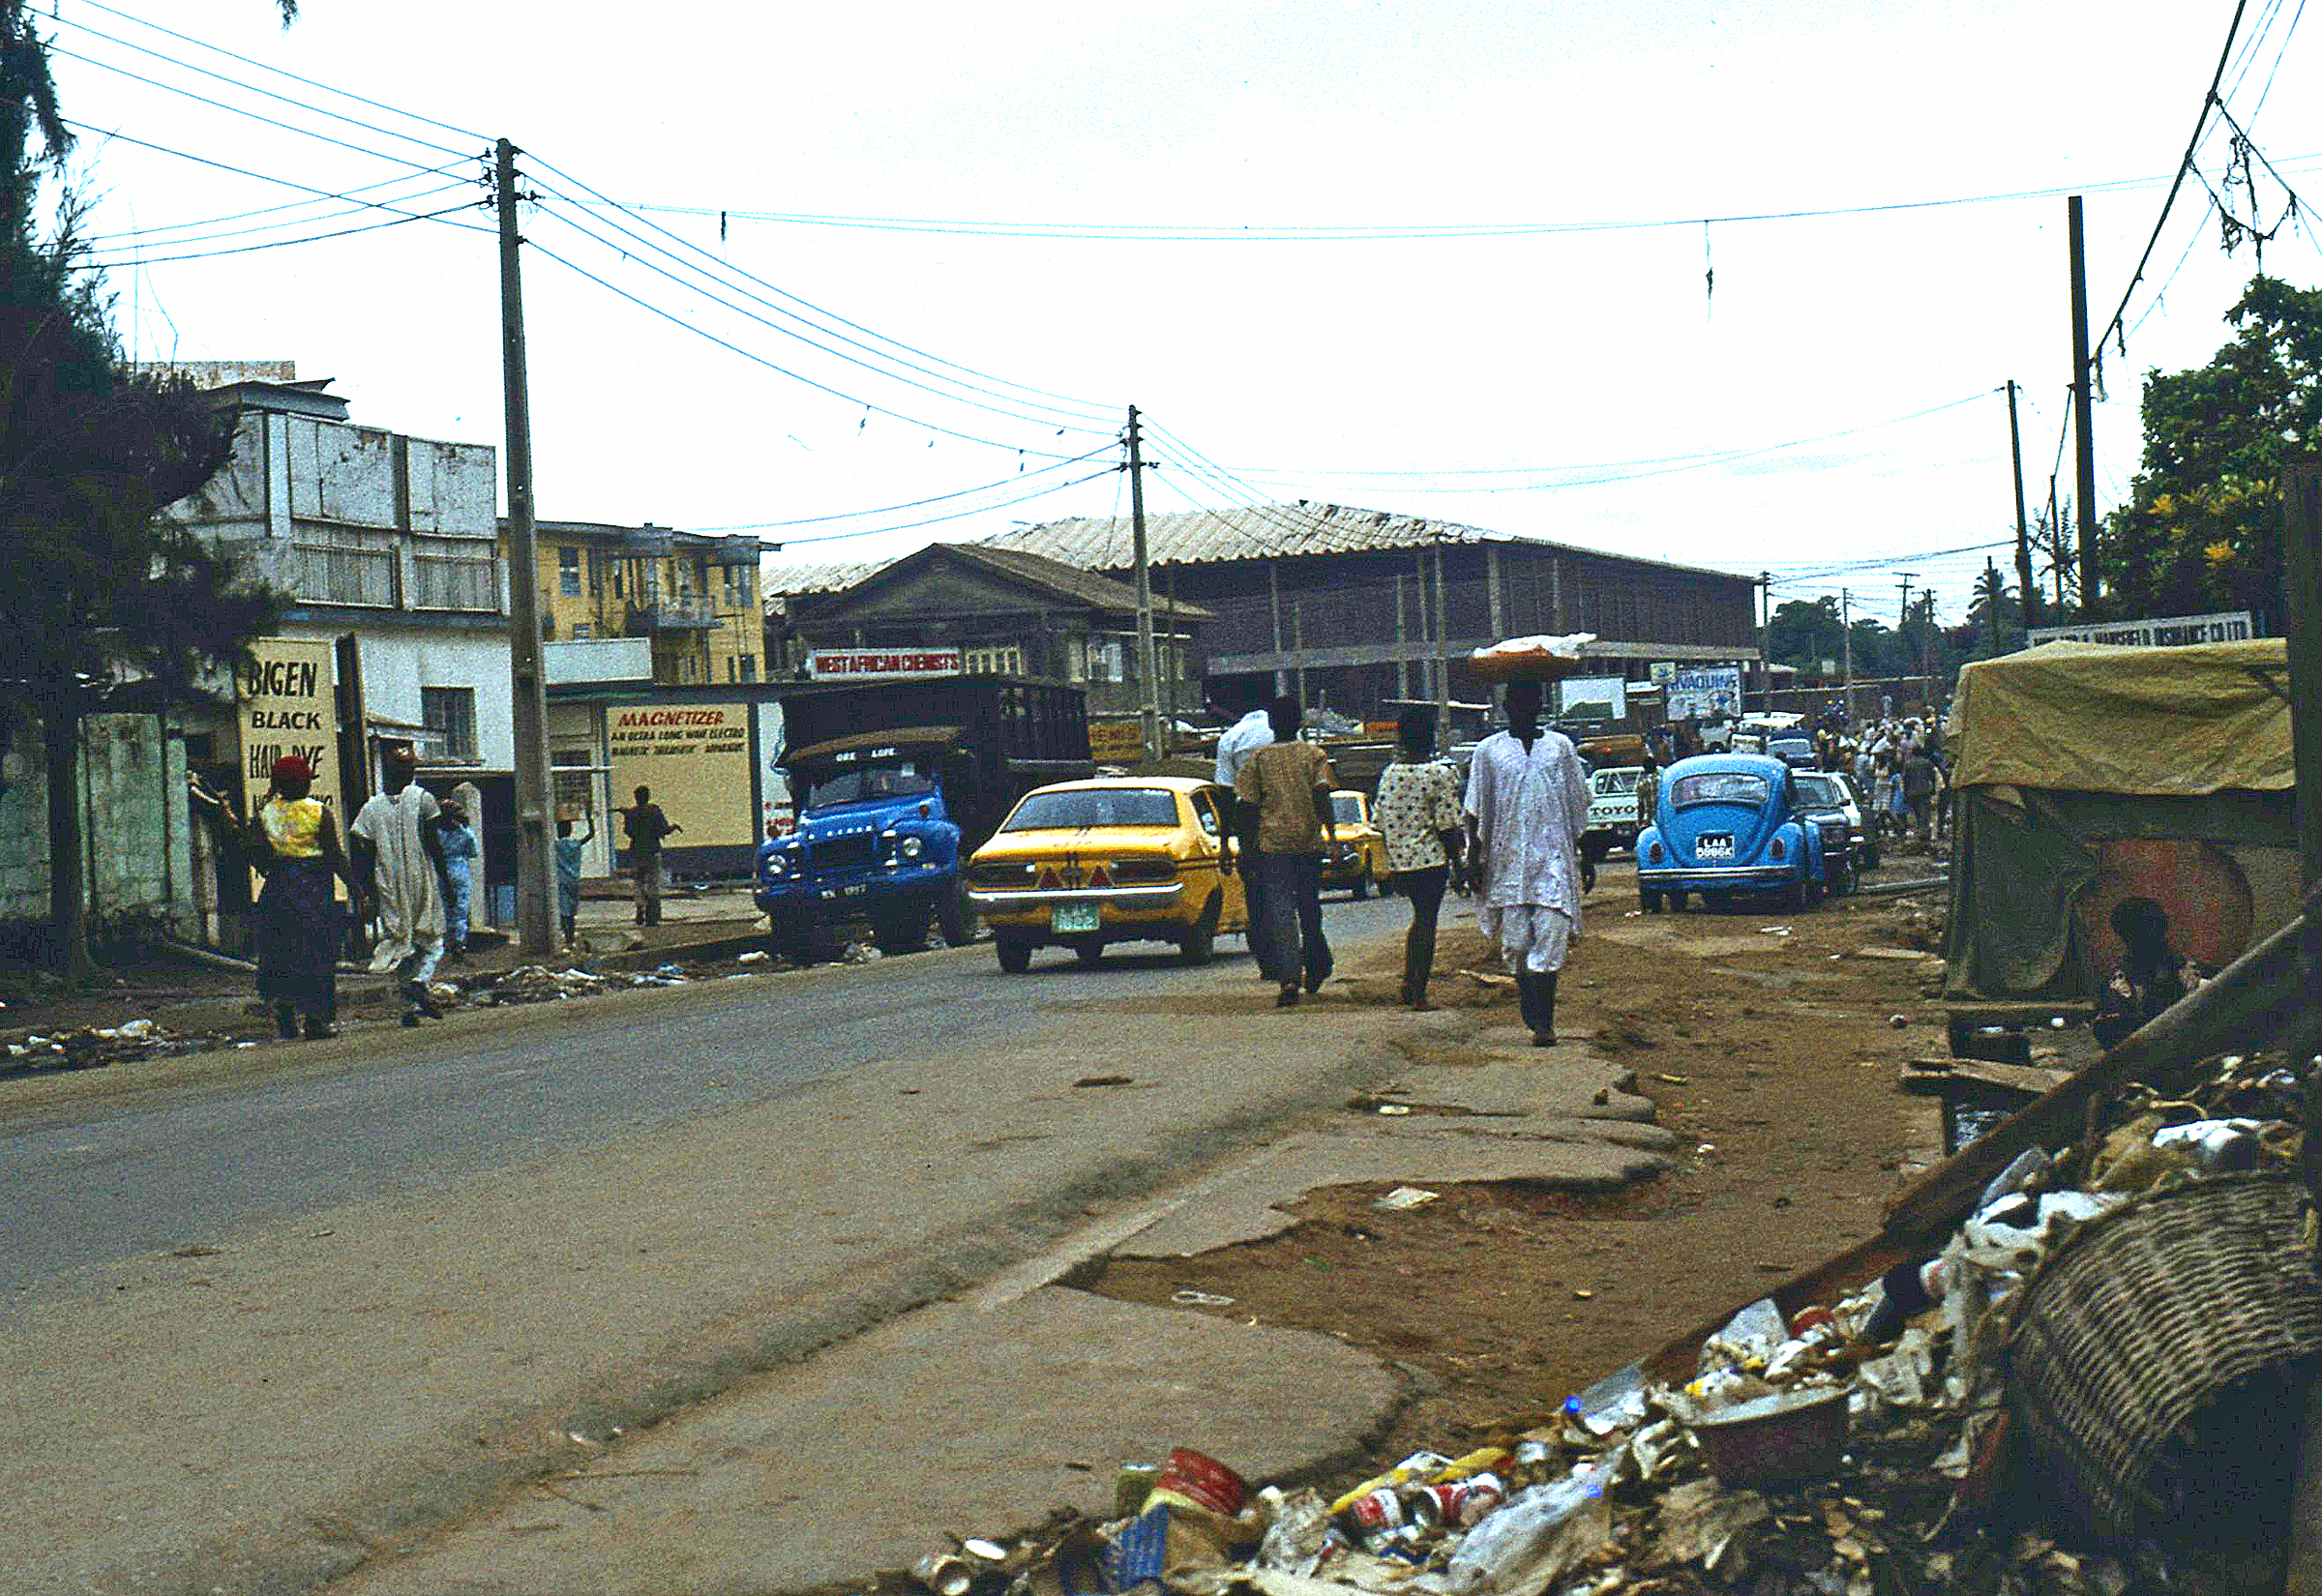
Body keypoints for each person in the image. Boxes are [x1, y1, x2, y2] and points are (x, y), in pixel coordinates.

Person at [1465, 678, 1593, 1048]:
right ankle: (1528, 998)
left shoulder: (1560, 748)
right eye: (1517, 702)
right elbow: (1475, 806)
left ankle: (1545, 1023)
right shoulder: (1488, 752)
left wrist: (1585, 856)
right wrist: (1473, 855)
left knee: (1551, 935)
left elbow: (1576, 802)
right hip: (1507, 861)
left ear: (1540, 705)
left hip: (1553, 857)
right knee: (1517, 943)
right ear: (1506, 707)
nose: (1524, 709)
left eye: (1531, 701)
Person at [197, 756, 355, 1041]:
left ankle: (285, 1015)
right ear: (305, 782)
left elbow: (253, 854)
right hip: (314, 891)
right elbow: (335, 857)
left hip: (278, 891)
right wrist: (357, 889)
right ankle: (317, 1019)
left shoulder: (265, 814)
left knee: (281, 954)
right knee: (317, 953)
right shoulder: (320, 812)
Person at [1234, 695, 1337, 1008]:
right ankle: (1317, 962)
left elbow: (1246, 805)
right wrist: (1330, 834)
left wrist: (1245, 846)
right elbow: (1322, 793)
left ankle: (1289, 977)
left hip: (1272, 846)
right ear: (1300, 723)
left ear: (1271, 724)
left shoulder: (1258, 759)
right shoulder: (1314, 755)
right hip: (1307, 843)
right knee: (1309, 907)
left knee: (1280, 912)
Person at [1373, 707, 1467, 1011]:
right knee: (1427, 922)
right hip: (1430, 861)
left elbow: (1381, 820)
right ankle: (1418, 991)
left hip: (1401, 861)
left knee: (1419, 921)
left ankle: (1410, 981)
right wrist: (1459, 864)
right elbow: (1448, 825)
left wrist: (1394, 858)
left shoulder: (1390, 774)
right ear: (1430, 738)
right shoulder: (1439, 774)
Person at [351, 744, 448, 1028]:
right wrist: (445, 879)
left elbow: (364, 854)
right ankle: (420, 982)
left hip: (388, 885)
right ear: (411, 773)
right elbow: (434, 843)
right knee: (431, 941)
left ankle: (409, 1008)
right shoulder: (424, 800)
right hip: (421, 880)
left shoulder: (371, 808)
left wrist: (367, 893)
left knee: (401, 943)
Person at [1212, 689, 1279, 976]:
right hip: (1286, 819)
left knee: (1256, 893)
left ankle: (1265, 959)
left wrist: (1225, 843)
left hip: (1249, 824)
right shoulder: (1283, 731)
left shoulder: (1230, 738)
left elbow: (1225, 796)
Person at [2092, 898, 2200, 1050]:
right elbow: (2107, 1030)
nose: (2159, 936)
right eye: (2145, 932)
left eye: (2157, 930)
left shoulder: (2186, 972)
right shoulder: (2117, 984)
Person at [618, 785, 680, 927]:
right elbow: (664, 829)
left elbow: (628, 832)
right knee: (653, 883)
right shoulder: (654, 811)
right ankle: (652, 915)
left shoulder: (632, 813)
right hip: (652, 851)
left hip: (637, 852)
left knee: (639, 882)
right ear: (648, 796)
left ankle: (640, 907)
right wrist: (674, 827)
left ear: (636, 798)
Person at [435, 799, 480, 962]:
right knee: (461, 908)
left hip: (442, 869)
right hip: (460, 868)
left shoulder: (437, 833)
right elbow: (473, 851)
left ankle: (447, 943)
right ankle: (459, 943)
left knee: (446, 907)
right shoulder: (464, 832)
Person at [556, 811, 595, 945]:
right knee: (572, 911)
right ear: (571, 830)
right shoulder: (576, 844)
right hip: (574, 881)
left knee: (563, 911)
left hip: (561, 881)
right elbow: (591, 834)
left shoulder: (556, 846)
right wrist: (590, 819)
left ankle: (567, 936)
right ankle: (571, 937)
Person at [1900, 745, 1937, 851]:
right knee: (1924, 814)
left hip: (1912, 793)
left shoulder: (1908, 764)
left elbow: (1905, 779)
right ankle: (1924, 834)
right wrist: (1933, 788)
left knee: (1916, 813)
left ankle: (1920, 832)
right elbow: (1933, 776)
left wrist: (1905, 793)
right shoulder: (1927, 763)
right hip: (1925, 791)